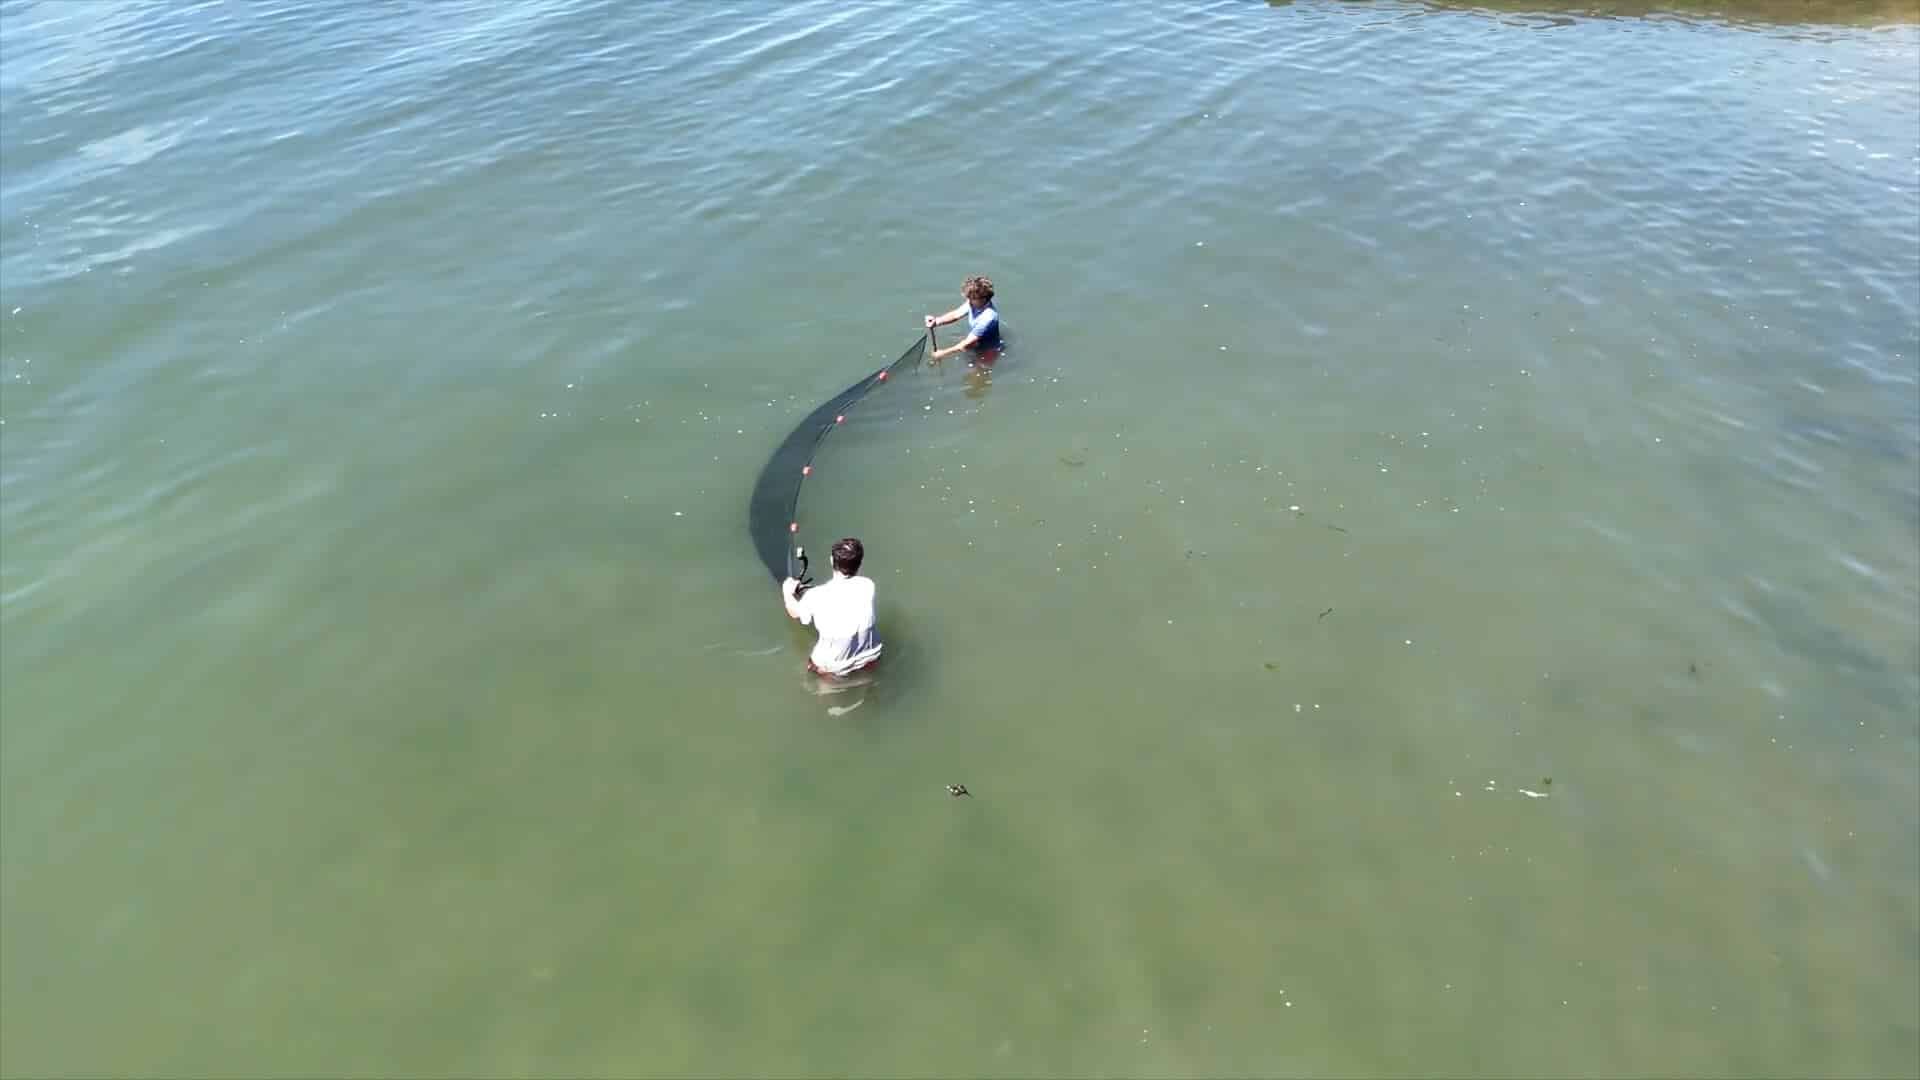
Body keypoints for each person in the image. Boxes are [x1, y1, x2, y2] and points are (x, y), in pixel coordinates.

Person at [781, 537, 883, 678]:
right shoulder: (868, 585)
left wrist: (787, 592)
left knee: (817, 671)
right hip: (871, 657)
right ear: (860, 564)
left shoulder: (816, 596)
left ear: (831, 560)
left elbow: (794, 612)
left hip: (833, 667)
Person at [925, 275, 1001, 361]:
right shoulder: (973, 303)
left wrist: (943, 353)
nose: (969, 300)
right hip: (976, 342)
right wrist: (937, 321)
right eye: (969, 297)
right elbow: (956, 314)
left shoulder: (988, 318)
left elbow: (966, 344)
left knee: (978, 369)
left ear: (983, 299)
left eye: (972, 298)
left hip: (988, 350)